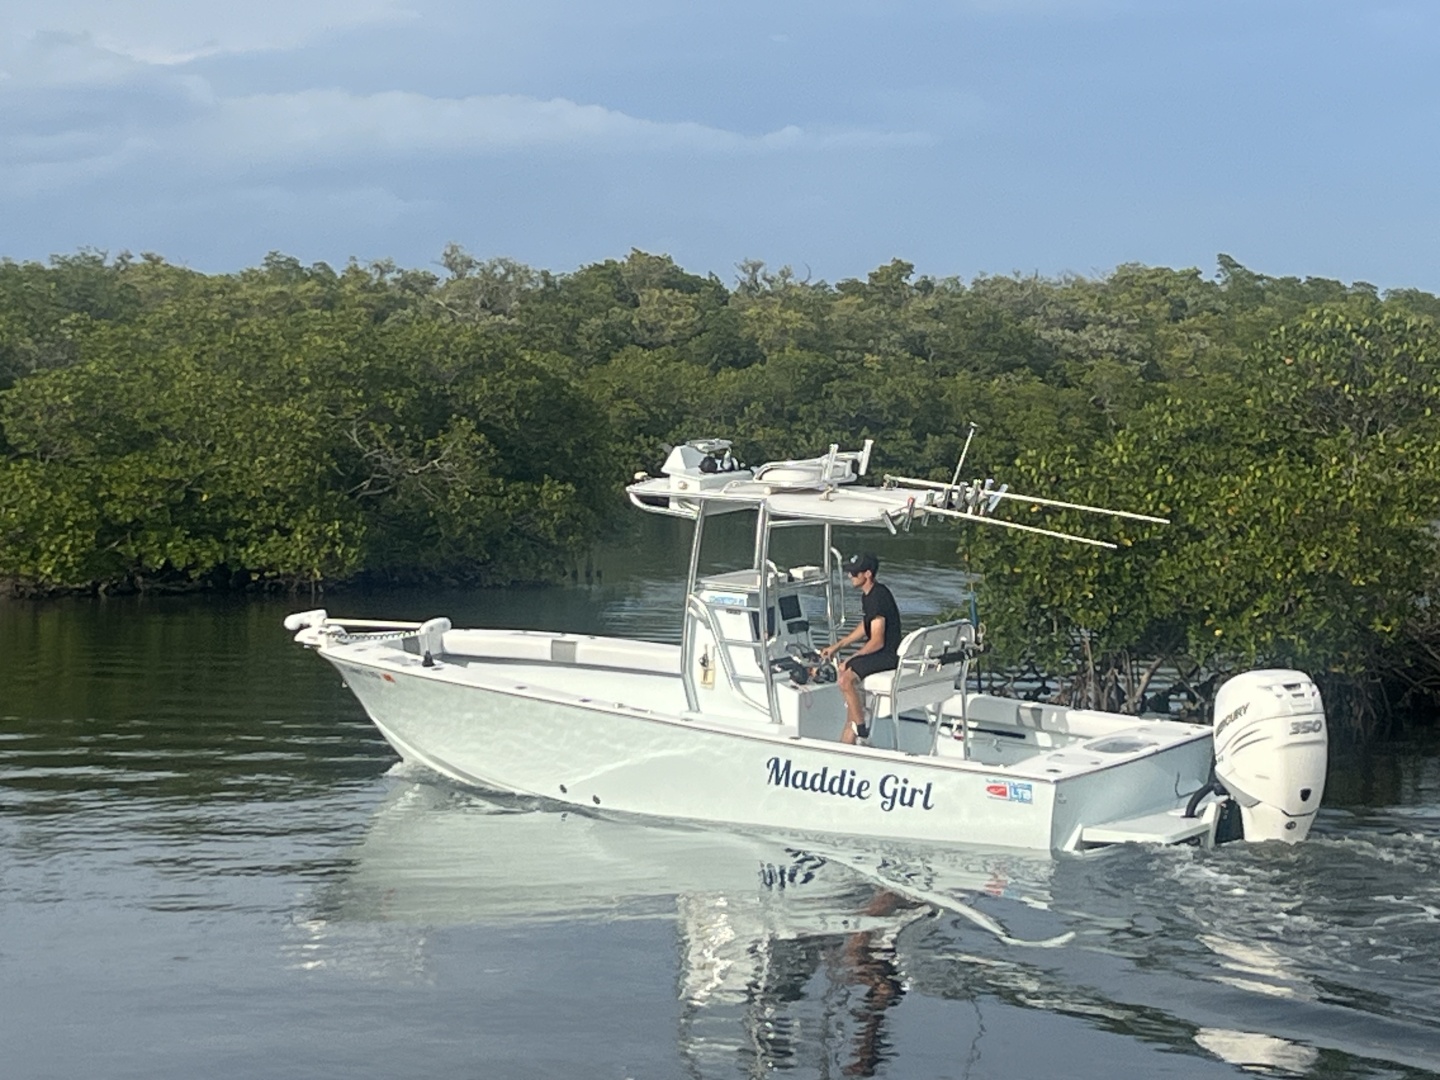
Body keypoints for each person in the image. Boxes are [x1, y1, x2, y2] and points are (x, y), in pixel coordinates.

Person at [819, 553, 901, 745]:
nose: (850, 576)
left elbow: (877, 641)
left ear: (868, 574)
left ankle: (862, 731)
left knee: (845, 677)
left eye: (855, 572)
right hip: (882, 652)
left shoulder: (878, 598)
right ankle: (853, 727)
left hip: (888, 654)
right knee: (851, 708)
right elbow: (866, 627)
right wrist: (837, 646)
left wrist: (851, 658)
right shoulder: (870, 594)